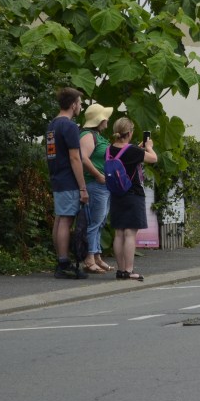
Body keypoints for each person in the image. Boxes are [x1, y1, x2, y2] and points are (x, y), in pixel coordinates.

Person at [46, 87, 90, 279]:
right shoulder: (70, 126)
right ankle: (64, 264)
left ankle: (61, 260)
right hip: (69, 179)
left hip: (57, 177)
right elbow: (75, 158)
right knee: (66, 220)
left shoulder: (52, 125)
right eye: (79, 103)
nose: (80, 107)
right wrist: (83, 187)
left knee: (59, 218)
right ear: (73, 105)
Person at [107, 117, 157, 281]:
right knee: (130, 234)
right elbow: (153, 158)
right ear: (129, 133)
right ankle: (129, 271)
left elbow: (125, 156)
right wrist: (149, 148)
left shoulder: (109, 149)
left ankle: (121, 270)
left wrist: (139, 149)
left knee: (119, 233)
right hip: (133, 194)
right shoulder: (133, 151)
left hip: (116, 194)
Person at [79, 103, 114, 274]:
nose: (107, 120)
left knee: (100, 222)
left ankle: (97, 256)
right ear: (99, 120)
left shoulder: (97, 135)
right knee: (95, 222)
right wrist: (97, 175)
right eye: (105, 117)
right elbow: (83, 158)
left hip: (103, 185)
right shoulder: (87, 136)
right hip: (95, 184)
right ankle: (89, 258)